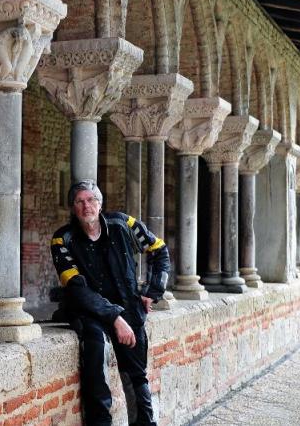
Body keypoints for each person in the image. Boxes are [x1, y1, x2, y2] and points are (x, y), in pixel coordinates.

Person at [50, 180, 169, 426]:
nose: (86, 206)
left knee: (136, 376)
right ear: (73, 207)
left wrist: (153, 290)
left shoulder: (123, 224)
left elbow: (160, 251)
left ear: (100, 204)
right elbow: (76, 289)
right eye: (79, 201)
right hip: (92, 313)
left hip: (129, 307)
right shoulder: (63, 239)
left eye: (91, 200)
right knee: (95, 362)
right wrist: (114, 317)